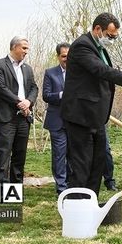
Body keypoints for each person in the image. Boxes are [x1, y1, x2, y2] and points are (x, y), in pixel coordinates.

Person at [61, 12, 122, 197]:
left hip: (96, 118)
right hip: (81, 117)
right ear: (97, 29)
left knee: (98, 163)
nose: (112, 40)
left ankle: (90, 203)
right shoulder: (81, 46)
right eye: (110, 35)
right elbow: (101, 70)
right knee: (82, 165)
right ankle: (77, 207)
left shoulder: (100, 48)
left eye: (115, 37)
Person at [0, 36, 38, 184]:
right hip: (6, 117)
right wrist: (20, 102)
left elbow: (34, 87)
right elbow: (1, 88)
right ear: (14, 47)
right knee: (3, 154)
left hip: (23, 118)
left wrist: (29, 102)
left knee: (20, 154)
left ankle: (16, 187)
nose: (26, 51)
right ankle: (2, 189)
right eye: (24, 48)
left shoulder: (27, 68)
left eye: (27, 48)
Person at [42, 42, 70, 195]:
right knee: (59, 155)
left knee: (73, 155)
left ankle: (72, 185)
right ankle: (61, 187)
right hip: (57, 121)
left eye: (69, 56)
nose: (67, 59)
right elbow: (46, 95)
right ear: (58, 56)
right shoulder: (50, 73)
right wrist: (61, 95)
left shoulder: (79, 73)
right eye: (64, 56)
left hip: (75, 122)